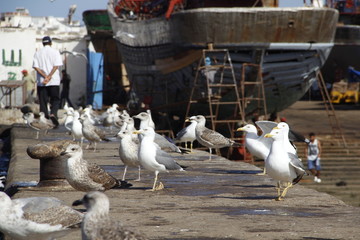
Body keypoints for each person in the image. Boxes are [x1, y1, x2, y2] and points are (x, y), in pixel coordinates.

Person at [32, 36, 62, 126]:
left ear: (43, 43)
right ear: (51, 43)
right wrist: (49, 76)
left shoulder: (37, 53)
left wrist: (45, 76)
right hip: (54, 81)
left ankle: (44, 118)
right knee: (55, 99)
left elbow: (36, 67)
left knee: (43, 101)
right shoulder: (55, 52)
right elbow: (56, 66)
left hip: (42, 82)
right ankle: (53, 113)